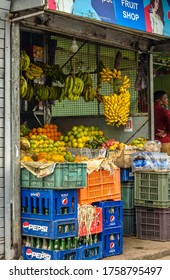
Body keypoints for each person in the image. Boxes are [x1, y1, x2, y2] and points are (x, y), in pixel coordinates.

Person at [154, 90, 170, 155]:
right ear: (159, 101)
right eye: (165, 98)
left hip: (153, 143)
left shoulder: (148, 111)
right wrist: (166, 131)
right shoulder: (164, 111)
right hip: (164, 142)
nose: (167, 100)